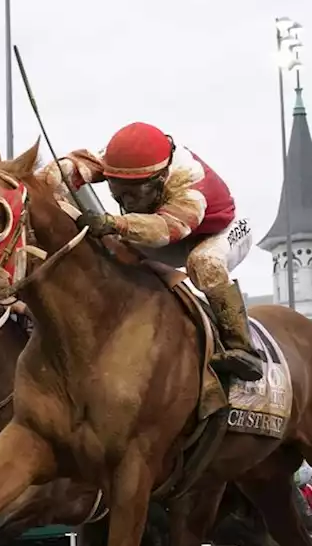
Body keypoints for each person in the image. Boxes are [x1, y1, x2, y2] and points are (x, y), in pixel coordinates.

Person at [41, 122, 263, 382]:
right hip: (164, 227)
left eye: (135, 191)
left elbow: (167, 229)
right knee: (110, 245)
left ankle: (242, 347)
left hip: (214, 231)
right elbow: (76, 165)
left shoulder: (190, 183)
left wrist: (114, 223)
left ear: (160, 177)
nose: (126, 200)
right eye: (118, 189)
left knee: (204, 263)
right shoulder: (121, 160)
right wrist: (44, 182)